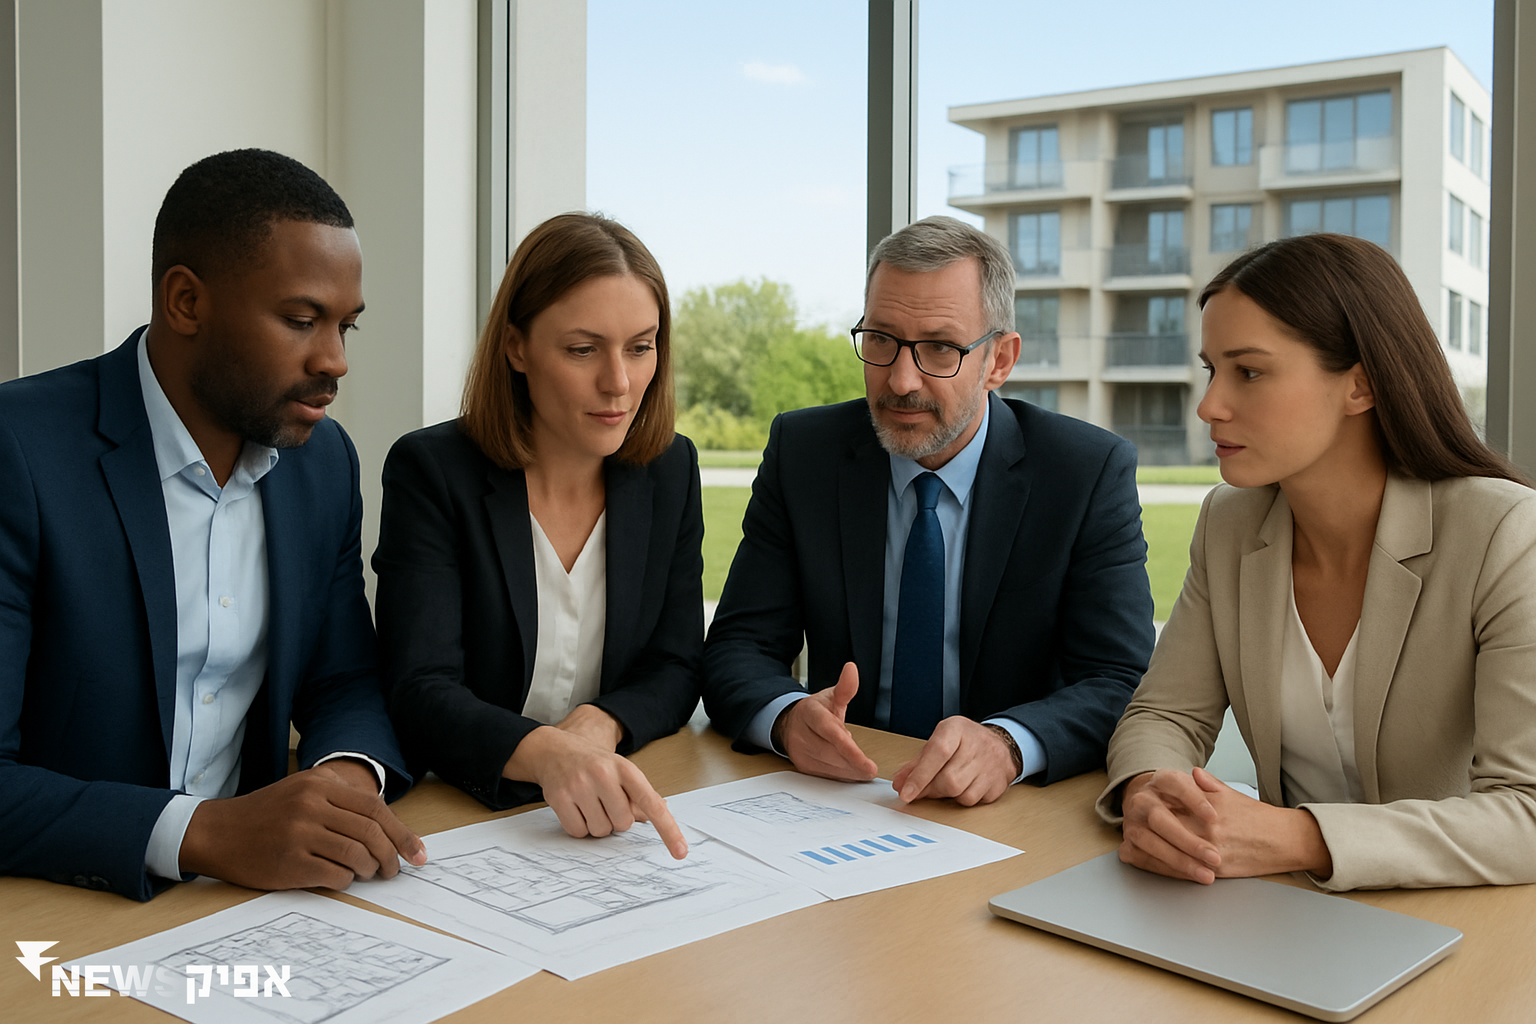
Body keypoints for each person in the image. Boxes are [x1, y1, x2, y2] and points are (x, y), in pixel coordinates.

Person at [0, 149, 423, 901]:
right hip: (59, 910)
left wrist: (344, 780)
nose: (334, 359)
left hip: (248, 910)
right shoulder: (19, 453)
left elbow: (343, 680)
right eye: (301, 320)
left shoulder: (323, 464)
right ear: (186, 302)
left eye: (346, 327)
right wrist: (207, 832)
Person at [1099, 232, 1536, 892]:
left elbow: (1525, 813)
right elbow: (1167, 715)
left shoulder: (1504, 533)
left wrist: (1295, 835)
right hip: (1284, 913)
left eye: (1248, 371)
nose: (1210, 405)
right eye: (1211, 369)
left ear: (1360, 385)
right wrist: (1152, 792)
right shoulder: (1230, 523)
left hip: (1461, 928)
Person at [702, 216, 1154, 805]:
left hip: (1008, 812)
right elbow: (738, 646)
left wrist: (1009, 744)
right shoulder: (805, 453)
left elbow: (1120, 678)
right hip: (841, 796)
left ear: (999, 360)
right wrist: (788, 720)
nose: (901, 378)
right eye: (882, 340)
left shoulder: (1085, 472)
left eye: (939, 347)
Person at [374, 213, 699, 859]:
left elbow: (677, 663)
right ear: (517, 347)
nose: (621, 382)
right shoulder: (432, 470)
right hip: (465, 820)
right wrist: (548, 753)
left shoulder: (670, 468)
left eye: (641, 346)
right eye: (584, 350)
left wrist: (599, 725)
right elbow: (419, 686)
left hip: (612, 818)